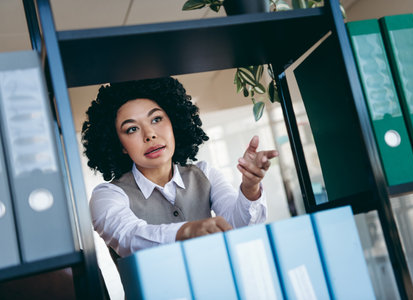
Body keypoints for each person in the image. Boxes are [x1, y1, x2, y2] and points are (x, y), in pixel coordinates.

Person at [82, 77, 278, 258]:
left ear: (174, 122)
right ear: (121, 145)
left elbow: (239, 227)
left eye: (156, 119)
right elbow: (128, 238)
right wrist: (187, 231)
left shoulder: (205, 174)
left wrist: (250, 187)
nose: (149, 134)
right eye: (132, 129)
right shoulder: (107, 195)